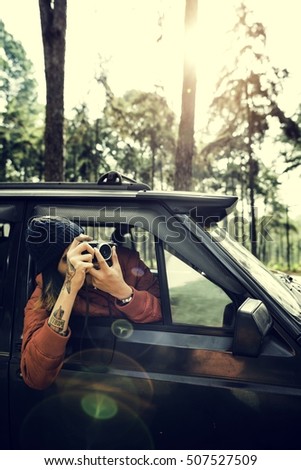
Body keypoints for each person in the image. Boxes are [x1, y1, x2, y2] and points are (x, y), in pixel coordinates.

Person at [21, 216, 161, 390]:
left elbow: (165, 312)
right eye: (68, 259)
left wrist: (122, 291)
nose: (82, 261)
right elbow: (35, 377)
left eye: (81, 249)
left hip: (141, 374)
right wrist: (69, 288)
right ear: (53, 271)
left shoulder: (123, 262)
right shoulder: (45, 291)